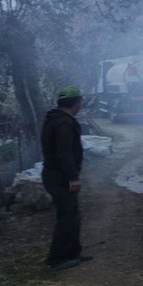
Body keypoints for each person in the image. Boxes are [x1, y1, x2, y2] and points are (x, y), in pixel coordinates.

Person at [41, 86, 92, 271]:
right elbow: (64, 153)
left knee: (73, 214)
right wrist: (72, 177)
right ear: (76, 103)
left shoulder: (56, 119)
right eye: (80, 102)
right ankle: (56, 260)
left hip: (56, 175)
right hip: (59, 178)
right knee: (66, 217)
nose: (80, 105)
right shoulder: (63, 123)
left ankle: (73, 252)